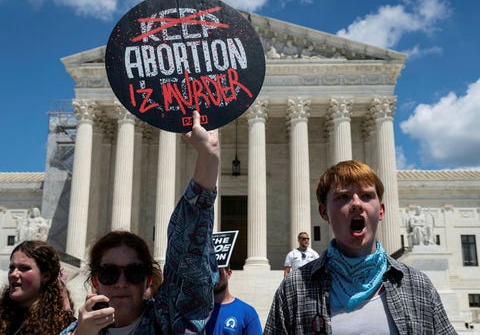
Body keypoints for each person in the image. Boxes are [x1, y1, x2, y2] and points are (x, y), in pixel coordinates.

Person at [60, 110, 220, 335]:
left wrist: (208, 156)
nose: (121, 283)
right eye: (109, 273)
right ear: (95, 280)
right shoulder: (75, 332)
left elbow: (189, 248)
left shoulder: (168, 322)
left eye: (134, 272)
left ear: (147, 280)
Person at [265, 160, 457, 334]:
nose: (356, 203)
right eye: (343, 196)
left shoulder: (418, 286)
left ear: (381, 210)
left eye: (366, 195)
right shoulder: (294, 289)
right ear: (323, 212)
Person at [0, 240, 75, 335]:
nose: (13, 274)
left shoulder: (66, 326)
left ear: (45, 275)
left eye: (24, 268)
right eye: (11, 267)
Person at [206, 266, 262, 334]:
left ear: (228, 273)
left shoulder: (248, 313)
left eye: (218, 273)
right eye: (210, 273)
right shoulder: (196, 310)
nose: (214, 278)